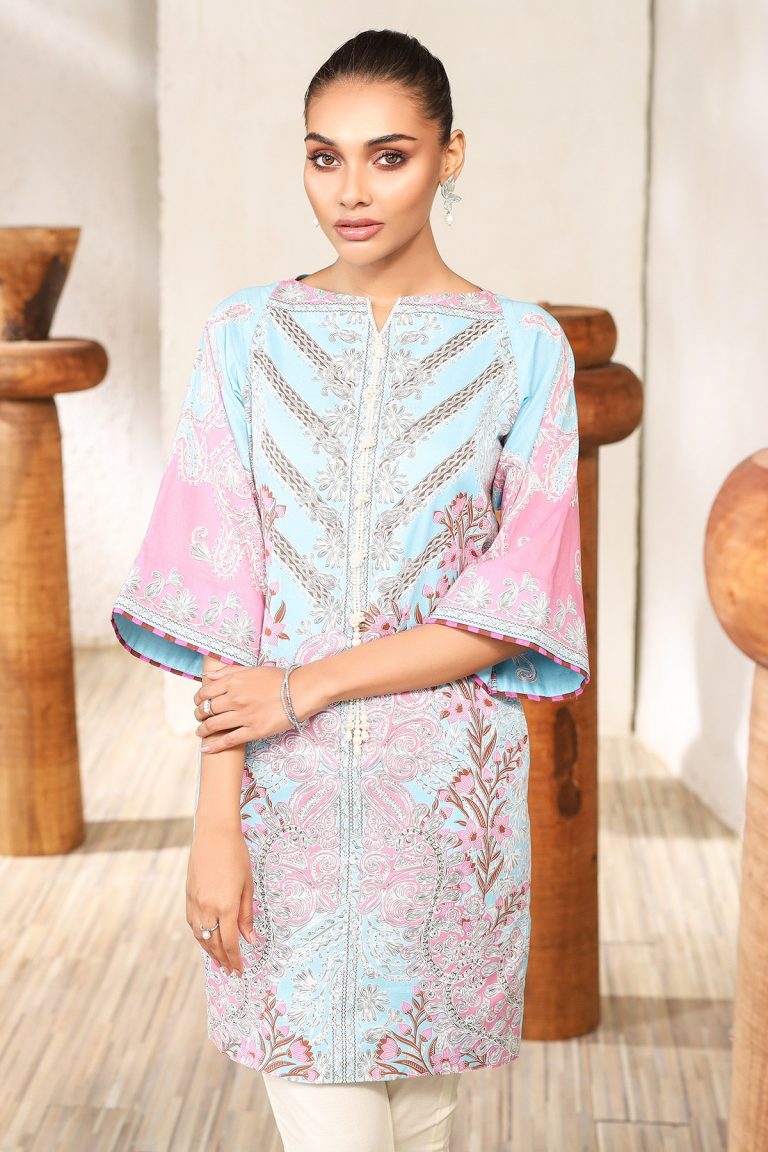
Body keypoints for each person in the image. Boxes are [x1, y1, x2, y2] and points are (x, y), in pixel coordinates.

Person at [110, 26, 590, 1152]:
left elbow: (512, 607)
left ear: (450, 155)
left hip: (450, 813)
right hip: (284, 809)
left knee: (419, 1122)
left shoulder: (525, 352)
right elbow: (218, 602)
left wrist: (307, 685)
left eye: (390, 156)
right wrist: (215, 825)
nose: (352, 191)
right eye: (325, 157)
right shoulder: (245, 338)